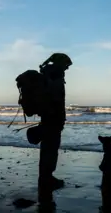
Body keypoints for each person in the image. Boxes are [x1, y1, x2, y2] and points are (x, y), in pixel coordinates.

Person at [37, 53, 72, 204]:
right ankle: (47, 179)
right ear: (60, 63)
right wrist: (59, 118)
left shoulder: (47, 73)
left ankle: (45, 178)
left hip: (47, 118)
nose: (67, 68)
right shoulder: (55, 75)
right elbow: (57, 98)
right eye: (66, 65)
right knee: (51, 149)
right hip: (52, 119)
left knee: (47, 148)